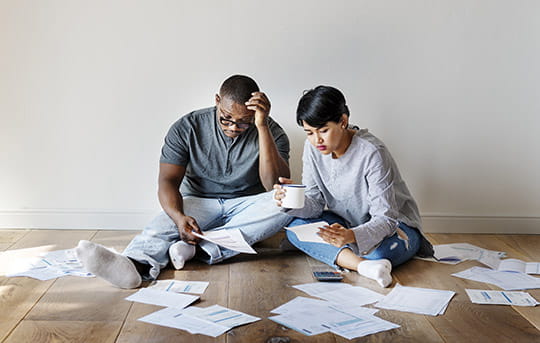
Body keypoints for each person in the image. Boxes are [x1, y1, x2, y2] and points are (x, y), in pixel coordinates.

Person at [76, 75, 292, 288]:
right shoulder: (188, 126)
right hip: (199, 201)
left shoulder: (272, 132)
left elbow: (273, 184)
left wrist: (261, 127)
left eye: (244, 122)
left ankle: (197, 250)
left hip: (246, 205)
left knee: (289, 203)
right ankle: (134, 265)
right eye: (226, 118)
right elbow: (167, 181)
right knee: (162, 225)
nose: (233, 127)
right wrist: (179, 217)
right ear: (217, 101)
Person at [274, 86, 433, 288]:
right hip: (347, 223)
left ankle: (354, 258)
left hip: (396, 227)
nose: (317, 140)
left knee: (379, 253)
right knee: (295, 228)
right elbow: (314, 205)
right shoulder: (312, 148)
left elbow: (386, 218)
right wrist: (288, 201)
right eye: (309, 133)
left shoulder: (372, 152)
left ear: (343, 121)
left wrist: (352, 236)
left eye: (323, 130)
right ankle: (365, 266)